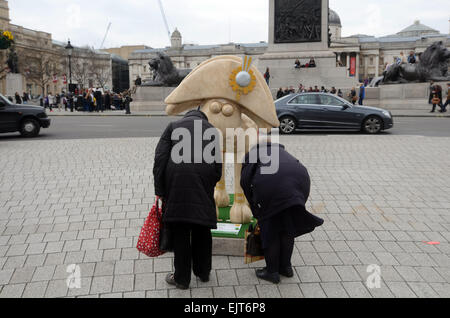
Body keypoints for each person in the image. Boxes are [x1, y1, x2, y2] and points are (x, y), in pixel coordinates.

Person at [153, 109, 222, 290]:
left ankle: (182, 279)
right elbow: (217, 165)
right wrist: (210, 183)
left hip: (175, 183)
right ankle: (203, 271)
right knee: (202, 226)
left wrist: (159, 190)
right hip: (202, 182)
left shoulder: (173, 126)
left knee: (180, 230)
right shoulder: (212, 130)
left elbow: (160, 159)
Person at [241, 140, 324, 284]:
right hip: (300, 184)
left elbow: (244, 182)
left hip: (271, 188)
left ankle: (272, 272)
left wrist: (256, 210)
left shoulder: (253, 155)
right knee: (287, 227)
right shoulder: (283, 152)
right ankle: (286, 267)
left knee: (270, 230)